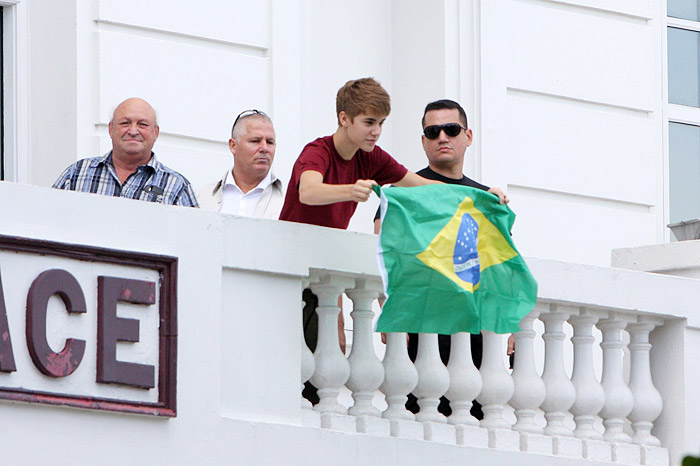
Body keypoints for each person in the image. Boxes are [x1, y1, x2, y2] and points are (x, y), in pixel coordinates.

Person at [280, 77, 439, 404]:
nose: (376, 131)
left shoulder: (371, 157)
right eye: (369, 122)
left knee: (326, 361)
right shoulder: (317, 151)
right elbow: (308, 191)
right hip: (291, 274)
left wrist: (481, 197)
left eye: (380, 123)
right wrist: (349, 191)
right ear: (344, 118)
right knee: (292, 363)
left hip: (324, 275)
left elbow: (422, 186)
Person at [373, 99, 508, 419]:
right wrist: (388, 309)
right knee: (421, 423)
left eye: (451, 129)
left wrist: (513, 324)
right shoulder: (403, 192)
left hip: (473, 335)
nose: (442, 137)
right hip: (422, 331)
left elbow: (501, 265)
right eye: (433, 132)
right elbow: (381, 252)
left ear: (468, 136)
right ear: (423, 141)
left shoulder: (485, 198)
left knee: (472, 425)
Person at [53, 98, 198, 207]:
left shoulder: (176, 186)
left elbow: (194, 240)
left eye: (142, 124)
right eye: (125, 123)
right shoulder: (77, 174)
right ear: (111, 129)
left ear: (156, 132)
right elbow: (48, 222)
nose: (133, 131)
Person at [197, 110, 284, 219]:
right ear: (233, 146)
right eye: (255, 141)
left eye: (270, 142)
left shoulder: (286, 203)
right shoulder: (201, 198)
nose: (264, 148)